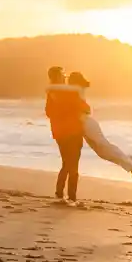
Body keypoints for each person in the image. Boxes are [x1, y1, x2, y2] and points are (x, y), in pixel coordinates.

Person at [68, 71, 132, 178]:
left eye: (70, 79)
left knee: (105, 147)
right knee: (102, 153)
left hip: (87, 123)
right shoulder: (73, 90)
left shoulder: (76, 90)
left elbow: (81, 107)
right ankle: (131, 162)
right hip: (83, 124)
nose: (68, 81)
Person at [44, 66, 88, 202]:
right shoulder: (65, 92)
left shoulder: (52, 92)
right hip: (72, 131)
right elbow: (84, 108)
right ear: (57, 76)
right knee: (72, 164)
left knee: (67, 163)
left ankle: (60, 193)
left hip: (60, 132)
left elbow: (49, 112)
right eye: (63, 74)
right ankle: (70, 196)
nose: (65, 77)